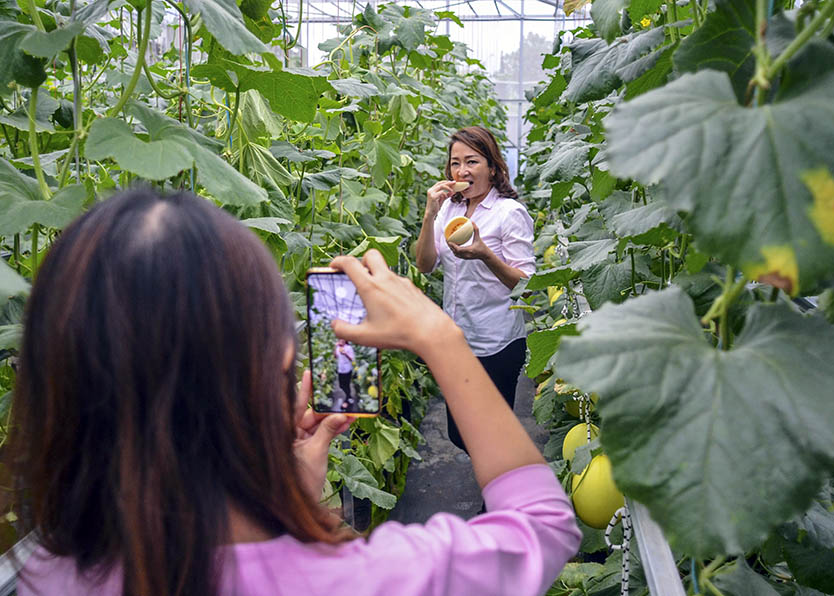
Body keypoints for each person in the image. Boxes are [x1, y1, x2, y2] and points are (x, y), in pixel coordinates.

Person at [13, 188, 580, 595]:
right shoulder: (364, 577)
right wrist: (441, 338)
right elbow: (544, 524)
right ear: (280, 368)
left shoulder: (45, 573)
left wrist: (283, 495)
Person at [415, 126, 536, 451]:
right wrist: (429, 214)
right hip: (457, 341)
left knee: (490, 437)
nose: (462, 171)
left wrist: (485, 254)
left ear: (492, 167)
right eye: (455, 163)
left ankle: (497, 483)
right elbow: (425, 264)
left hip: (496, 344)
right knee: (460, 434)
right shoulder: (449, 210)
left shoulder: (508, 213)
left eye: (472, 161)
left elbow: (526, 286)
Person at [333, 338, 356, 409]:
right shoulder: (338, 348)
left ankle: (347, 399)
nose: (341, 341)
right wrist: (335, 347)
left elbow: (352, 359)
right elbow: (335, 356)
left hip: (347, 369)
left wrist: (345, 354)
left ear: (345, 341)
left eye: (343, 340)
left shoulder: (348, 348)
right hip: (340, 369)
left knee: (347, 384)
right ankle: (349, 396)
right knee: (341, 385)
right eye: (340, 340)